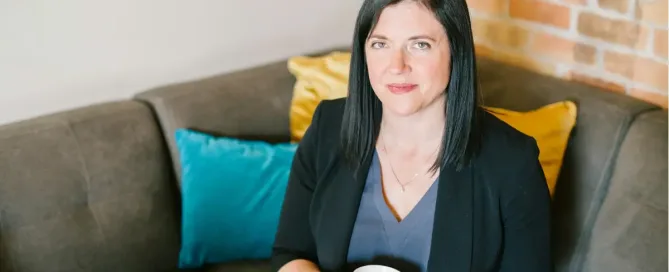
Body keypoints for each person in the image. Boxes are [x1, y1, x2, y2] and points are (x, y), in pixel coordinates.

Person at [272, 0, 552, 271]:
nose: (397, 66)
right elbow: (291, 251)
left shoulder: (513, 161)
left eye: (420, 45)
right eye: (380, 44)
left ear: (457, 50)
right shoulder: (328, 126)